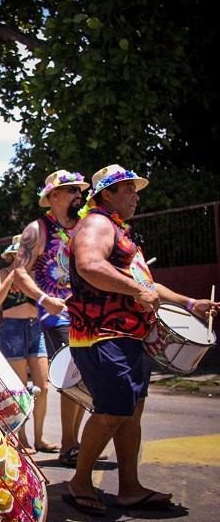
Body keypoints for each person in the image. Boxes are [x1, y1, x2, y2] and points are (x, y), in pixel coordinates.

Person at [64, 164, 219, 516]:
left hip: (128, 336)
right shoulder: (97, 224)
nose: (136, 196)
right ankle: (80, 482)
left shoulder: (120, 232)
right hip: (102, 336)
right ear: (107, 194)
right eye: (128, 190)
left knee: (130, 413)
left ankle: (130, 489)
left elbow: (148, 286)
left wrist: (190, 303)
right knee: (112, 410)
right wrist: (136, 289)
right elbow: (89, 264)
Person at [12, 169, 91, 467]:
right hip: (54, 316)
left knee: (84, 377)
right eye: (70, 190)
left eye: (77, 190)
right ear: (53, 196)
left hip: (87, 313)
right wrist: (46, 300)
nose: (77, 195)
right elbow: (20, 272)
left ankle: (73, 441)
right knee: (72, 374)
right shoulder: (37, 229)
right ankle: (70, 444)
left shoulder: (85, 226)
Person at [0, 235, 57, 454]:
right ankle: (21, 438)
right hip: (12, 329)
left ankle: (40, 437)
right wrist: (12, 278)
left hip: (34, 328)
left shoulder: (35, 275)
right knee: (20, 389)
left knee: (43, 386)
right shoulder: (1, 274)